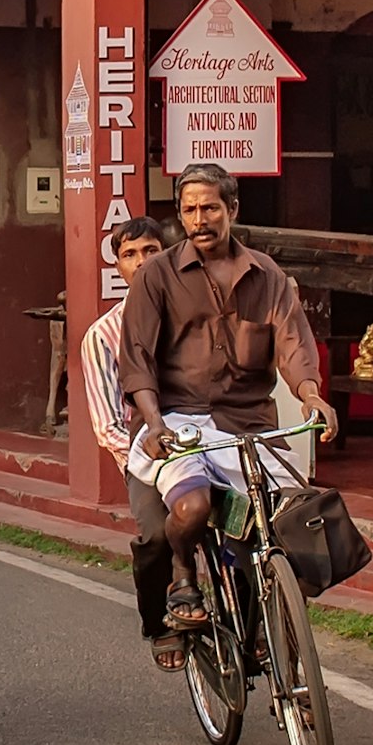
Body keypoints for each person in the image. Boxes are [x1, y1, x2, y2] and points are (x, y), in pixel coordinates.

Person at [119, 162, 331, 632]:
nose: (200, 219)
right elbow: (137, 362)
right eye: (190, 209)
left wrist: (311, 395)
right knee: (189, 510)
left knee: (285, 522)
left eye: (210, 207)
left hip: (249, 424)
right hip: (177, 424)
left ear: (231, 209)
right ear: (179, 215)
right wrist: (154, 423)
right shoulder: (156, 277)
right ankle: (182, 576)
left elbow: (293, 344)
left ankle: (265, 632)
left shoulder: (266, 275)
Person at [75, 213, 184, 664]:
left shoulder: (193, 315)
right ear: (117, 266)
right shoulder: (101, 337)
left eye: (150, 252)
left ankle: (259, 626)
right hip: (145, 455)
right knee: (158, 533)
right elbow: (107, 426)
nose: (140, 263)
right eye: (129, 255)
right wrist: (150, 456)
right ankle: (158, 623)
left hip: (205, 437)